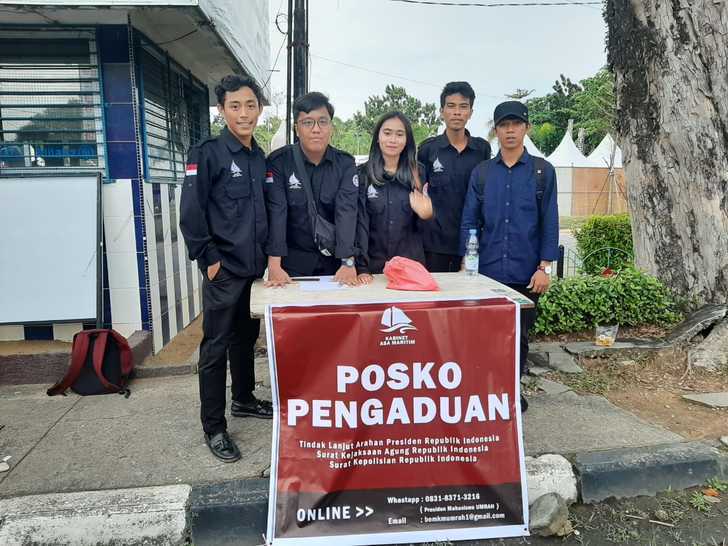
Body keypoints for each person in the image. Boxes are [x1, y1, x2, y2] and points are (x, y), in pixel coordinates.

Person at [180, 74, 272, 463]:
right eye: (235, 106)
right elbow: (191, 212)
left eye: (251, 105)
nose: (244, 113)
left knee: (244, 340)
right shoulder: (207, 153)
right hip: (224, 271)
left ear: (259, 110)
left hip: (252, 271)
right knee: (215, 347)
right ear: (222, 110)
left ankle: (245, 399)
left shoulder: (258, 156)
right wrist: (210, 262)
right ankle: (214, 426)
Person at [459, 100, 559, 411]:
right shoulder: (483, 173)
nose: (510, 130)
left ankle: (510, 392)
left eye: (516, 124)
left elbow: (550, 221)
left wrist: (544, 267)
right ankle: (484, 392)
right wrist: (467, 260)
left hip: (525, 272)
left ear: (526, 128)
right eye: (504, 125)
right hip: (487, 273)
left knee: (519, 337)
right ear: (496, 131)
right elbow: (469, 221)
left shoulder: (543, 172)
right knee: (483, 337)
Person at [264, 92, 360, 286]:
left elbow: (347, 212)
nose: (316, 129)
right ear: (296, 129)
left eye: (323, 122)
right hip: (293, 264)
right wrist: (274, 264)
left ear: (331, 127)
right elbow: (277, 211)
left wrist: (348, 262)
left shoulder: (345, 164)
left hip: (335, 263)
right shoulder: (279, 162)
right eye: (308, 122)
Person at [418, 82, 491, 273]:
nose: (457, 112)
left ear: (471, 112)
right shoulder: (428, 149)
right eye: (451, 106)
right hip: (434, 246)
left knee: (468, 300)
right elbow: (419, 194)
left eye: (463, 106)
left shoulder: (482, 150)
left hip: (471, 244)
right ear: (441, 111)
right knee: (434, 300)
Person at [356, 112, 433, 281]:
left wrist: (426, 215)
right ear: (378, 137)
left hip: (410, 268)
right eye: (387, 133)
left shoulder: (418, 173)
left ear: (407, 141)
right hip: (373, 269)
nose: (393, 139)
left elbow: (425, 227)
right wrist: (362, 267)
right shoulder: (363, 174)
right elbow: (360, 224)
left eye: (400, 134)